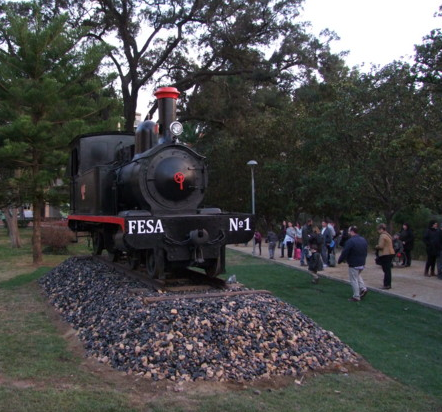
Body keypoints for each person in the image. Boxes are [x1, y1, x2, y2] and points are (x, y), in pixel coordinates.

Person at [338, 225, 368, 302]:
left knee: (353, 279)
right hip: (362, 262)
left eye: (349, 231)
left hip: (354, 262)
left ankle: (356, 296)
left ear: (352, 232)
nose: (348, 232)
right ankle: (363, 288)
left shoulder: (351, 241)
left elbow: (345, 252)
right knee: (357, 276)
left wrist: (340, 260)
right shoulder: (363, 239)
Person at [375, 223, 395, 289]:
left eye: (378, 230)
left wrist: (376, 246)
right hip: (391, 253)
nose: (378, 231)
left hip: (385, 254)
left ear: (381, 229)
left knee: (386, 270)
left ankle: (387, 285)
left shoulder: (382, 236)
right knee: (388, 270)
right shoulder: (388, 235)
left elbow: (381, 246)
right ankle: (388, 284)